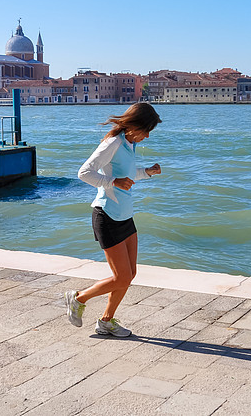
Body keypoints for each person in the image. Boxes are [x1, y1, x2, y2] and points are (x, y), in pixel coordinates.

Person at [65, 103, 162, 337]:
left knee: (130, 275)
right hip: (107, 214)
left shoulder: (130, 143)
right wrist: (112, 183)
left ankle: (106, 322)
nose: (147, 136)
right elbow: (84, 172)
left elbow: (124, 175)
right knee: (122, 277)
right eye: (146, 130)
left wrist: (147, 172)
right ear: (134, 125)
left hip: (125, 215)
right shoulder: (113, 143)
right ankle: (78, 298)